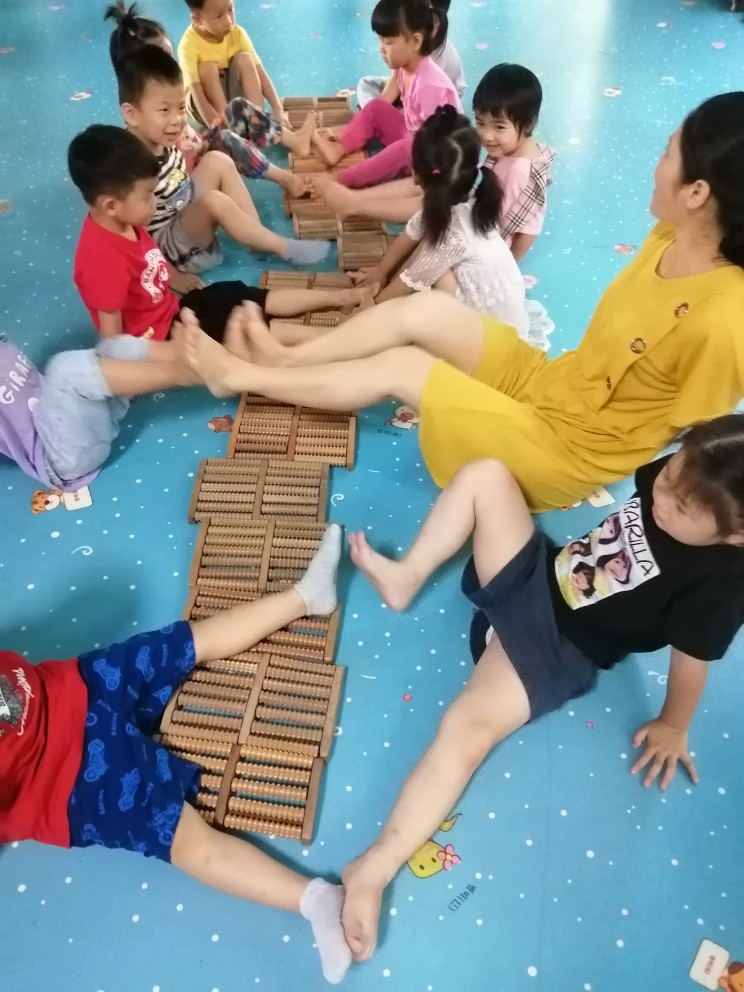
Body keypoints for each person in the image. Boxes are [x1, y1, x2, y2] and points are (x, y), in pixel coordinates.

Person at [174, 92, 744, 514]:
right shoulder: (671, 234)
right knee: (424, 311)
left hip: (565, 448)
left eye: (667, 153)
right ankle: (285, 359)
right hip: (552, 385)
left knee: (404, 366)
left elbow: (704, 437)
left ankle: (245, 375)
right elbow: (417, 209)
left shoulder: (724, 318)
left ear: (698, 193)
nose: (656, 164)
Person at [336, 414, 744, 961]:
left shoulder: (722, 586)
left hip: (559, 649)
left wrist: (674, 724)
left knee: (465, 730)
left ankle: (374, 868)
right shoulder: (683, 475)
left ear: (735, 535)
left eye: (682, 506)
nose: (662, 497)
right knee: (486, 475)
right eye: (669, 475)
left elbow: (693, 662)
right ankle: (407, 576)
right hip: (544, 576)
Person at [0, 525, 352, 985]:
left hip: (76, 686)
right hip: (69, 785)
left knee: (185, 641)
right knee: (186, 840)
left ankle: (305, 595)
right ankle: (315, 899)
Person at [69, 125, 369, 341]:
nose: (154, 203)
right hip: (166, 338)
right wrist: (127, 375)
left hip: (177, 310)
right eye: (147, 197)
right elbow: (112, 340)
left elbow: (149, 255)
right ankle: (344, 337)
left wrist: (173, 277)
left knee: (240, 295)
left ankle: (340, 298)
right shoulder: (102, 261)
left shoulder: (125, 219)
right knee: (245, 328)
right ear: (110, 205)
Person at [350, 106, 552, 347]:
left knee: (433, 278)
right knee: (428, 259)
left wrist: (371, 306)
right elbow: (413, 230)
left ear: (415, 175)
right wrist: (381, 271)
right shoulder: (467, 193)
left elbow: (407, 283)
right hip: (504, 303)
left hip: (489, 338)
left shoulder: (452, 236)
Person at [117, 45, 329, 275]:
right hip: (171, 251)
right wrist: (172, 277)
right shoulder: (127, 167)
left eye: (181, 108)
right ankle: (282, 247)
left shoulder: (161, 139)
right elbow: (127, 237)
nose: (177, 119)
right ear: (131, 114)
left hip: (183, 211)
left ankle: (258, 239)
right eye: (164, 110)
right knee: (213, 201)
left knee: (217, 159)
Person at [317, 62, 553, 262]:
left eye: (499, 127)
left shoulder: (521, 171)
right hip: (474, 209)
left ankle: (355, 203)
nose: (487, 136)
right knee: (429, 181)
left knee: (431, 199)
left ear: (529, 123)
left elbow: (528, 230)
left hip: (475, 242)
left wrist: (507, 266)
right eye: (481, 123)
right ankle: (355, 199)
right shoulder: (510, 149)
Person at [105, 1, 314, 197]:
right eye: (163, 60)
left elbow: (186, 134)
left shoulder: (165, 94)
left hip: (197, 152)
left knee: (238, 108)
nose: (171, 66)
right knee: (228, 139)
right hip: (192, 179)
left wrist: (204, 138)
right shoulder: (143, 122)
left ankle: (293, 141)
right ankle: (284, 178)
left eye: (170, 57)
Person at [311, 0, 462, 188]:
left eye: (388, 42)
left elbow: (432, 144)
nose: (381, 49)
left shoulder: (430, 86)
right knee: (376, 107)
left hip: (434, 157)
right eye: (380, 40)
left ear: (415, 42)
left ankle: (341, 179)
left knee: (405, 149)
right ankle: (338, 148)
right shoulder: (406, 67)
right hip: (415, 136)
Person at [177, 0, 293, 134]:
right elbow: (197, 95)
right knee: (207, 68)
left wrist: (278, 108)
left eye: (230, 9)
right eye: (219, 16)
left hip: (232, 97)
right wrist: (216, 129)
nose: (228, 21)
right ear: (197, 19)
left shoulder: (237, 33)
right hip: (205, 106)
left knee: (245, 60)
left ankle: (257, 122)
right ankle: (228, 126)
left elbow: (260, 72)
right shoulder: (188, 45)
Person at [356, 0, 465, 109]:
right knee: (366, 85)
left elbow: (428, 111)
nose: (381, 49)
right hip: (410, 94)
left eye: (388, 41)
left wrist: (385, 112)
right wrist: (376, 109)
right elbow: (396, 78)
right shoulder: (409, 48)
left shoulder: (433, 75)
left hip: (437, 107)